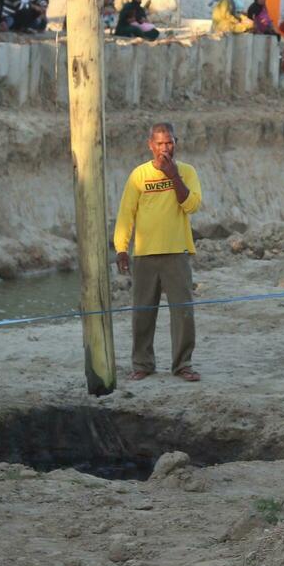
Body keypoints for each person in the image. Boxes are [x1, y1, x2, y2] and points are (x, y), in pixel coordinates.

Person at [113, 123, 203, 383]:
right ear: (150, 145)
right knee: (142, 311)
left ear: (176, 142)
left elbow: (192, 205)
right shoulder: (139, 175)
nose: (165, 148)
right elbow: (126, 214)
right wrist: (121, 248)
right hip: (144, 254)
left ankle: (182, 364)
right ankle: (143, 363)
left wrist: (173, 175)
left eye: (170, 143)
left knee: (183, 312)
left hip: (176, 252)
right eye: (160, 143)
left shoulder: (186, 171)